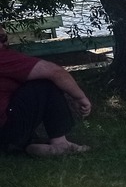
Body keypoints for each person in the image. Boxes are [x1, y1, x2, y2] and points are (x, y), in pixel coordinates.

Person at [0, 25, 93, 157]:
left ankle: (28, 144)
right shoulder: (2, 58)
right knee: (45, 83)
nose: (6, 43)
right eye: (1, 38)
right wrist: (80, 97)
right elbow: (54, 72)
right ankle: (60, 144)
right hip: (7, 129)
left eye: (5, 38)